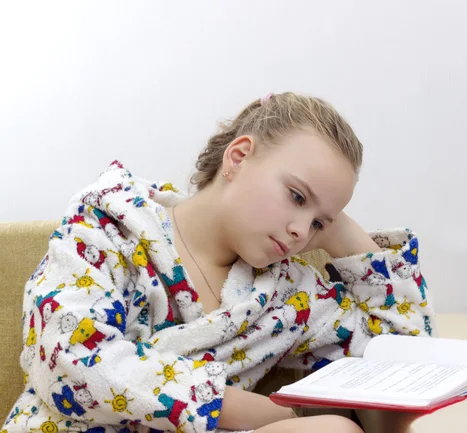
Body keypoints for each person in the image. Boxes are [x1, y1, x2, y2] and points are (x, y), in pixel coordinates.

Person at [3, 92, 435, 433]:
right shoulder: (106, 228)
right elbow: (67, 358)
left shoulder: (287, 294)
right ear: (239, 157)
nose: (302, 231)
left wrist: (341, 232)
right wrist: (268, 415)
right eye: (297, 196)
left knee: (335, 430)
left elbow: (402, 354)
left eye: (319, 221)